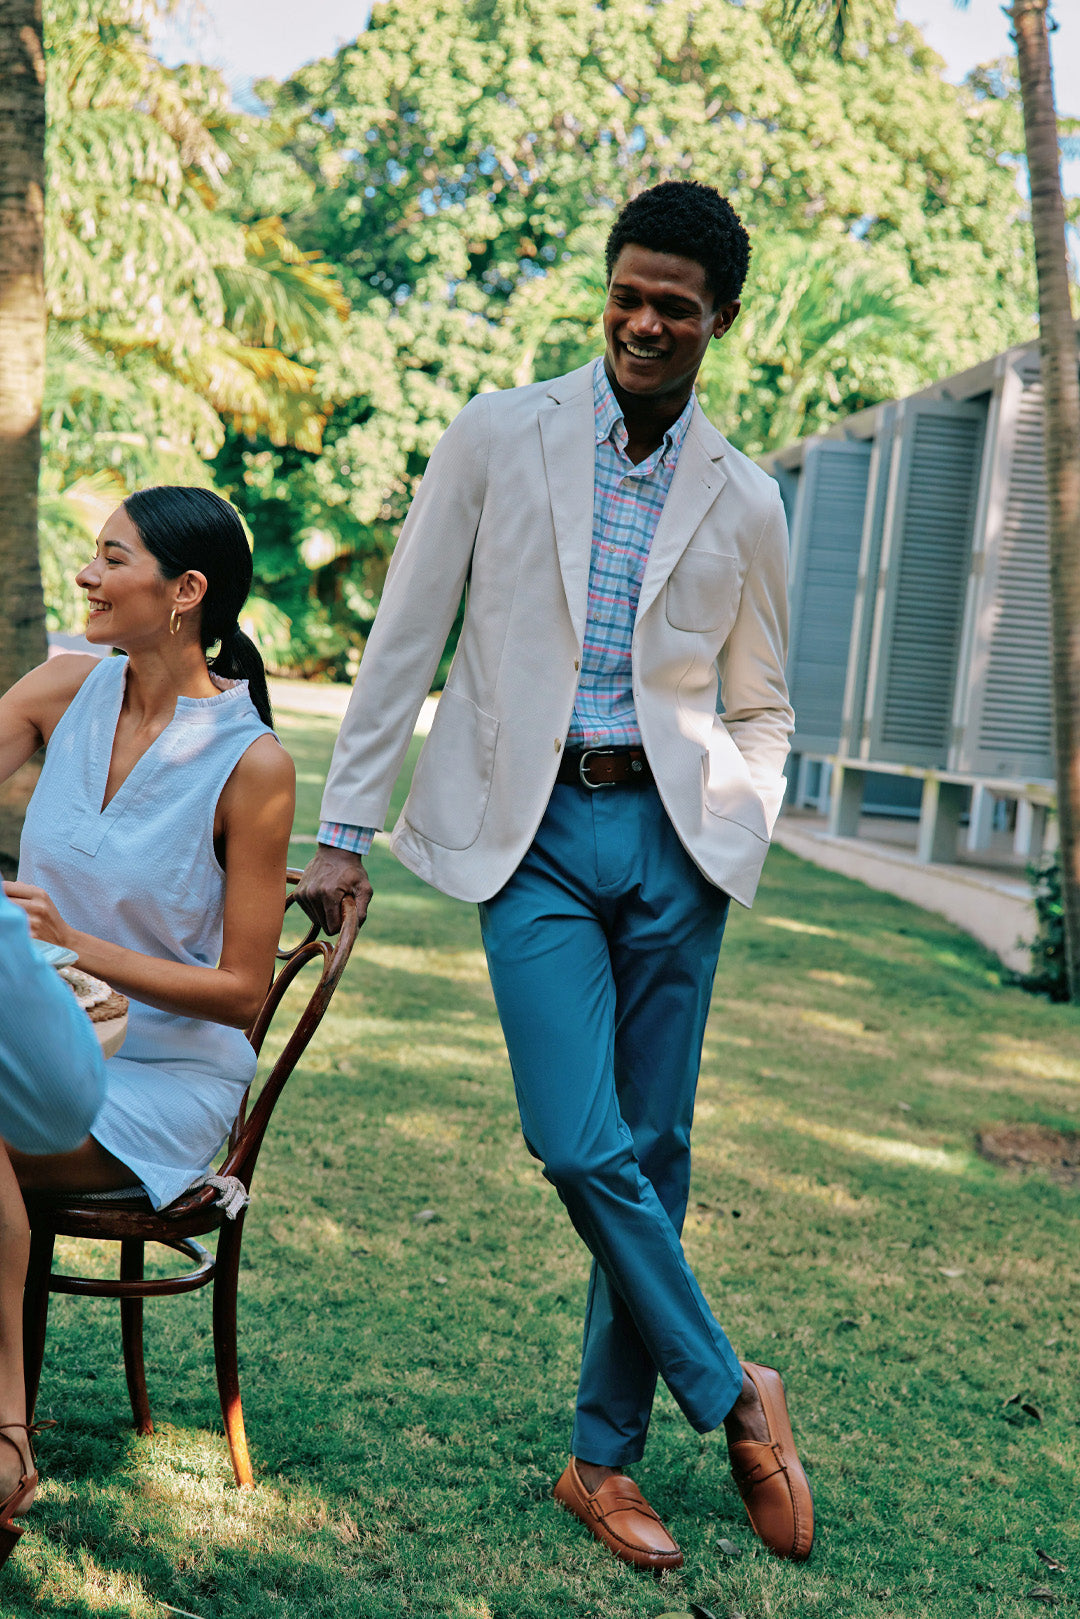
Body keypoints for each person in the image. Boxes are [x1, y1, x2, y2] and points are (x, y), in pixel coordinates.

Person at [298, 181, 812, 1568]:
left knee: (653, 1153)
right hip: (528, 835)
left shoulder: (748, 498)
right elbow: (407, 630)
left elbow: (764, 699)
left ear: (722, 320)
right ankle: (734, 1389)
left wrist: (737, 821)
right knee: (577, 1139)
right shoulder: (498, 432)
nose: (645, 323)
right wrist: (345, 829)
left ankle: (602, 1460)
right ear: (609, 286)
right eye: (628, 293)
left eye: (676, 307)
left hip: (673, 844)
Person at [0, 485, 294, 1563]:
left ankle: (5, 1436)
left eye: (110, 557)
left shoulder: (251, 764)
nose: (86, 575)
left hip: (166, 1076)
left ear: (185, 593)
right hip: (42, 1037)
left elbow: (240, 991)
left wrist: (70, 937)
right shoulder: (61, 687)